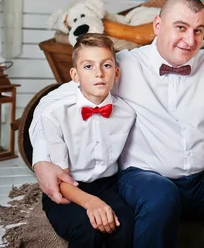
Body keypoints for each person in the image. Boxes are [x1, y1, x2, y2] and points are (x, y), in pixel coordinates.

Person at [29, 0, 204, 248]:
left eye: (198, 31)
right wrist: (42, 160)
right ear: (158, 25)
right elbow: (53, 101)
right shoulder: (122, 65)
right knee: (160, 197)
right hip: (145, 178)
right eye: (181, 27)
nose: (190, 40)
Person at [40, 33, 135, 247]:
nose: (99, 74)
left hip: (108, 186)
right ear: (74, 74)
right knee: (88, 230)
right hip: (67, 189)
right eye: (88, 66)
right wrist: (91, 203)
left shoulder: (128, 114)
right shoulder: (55, 115)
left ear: (116, 72)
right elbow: (60, 180)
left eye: (107, 65)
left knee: (125, 226)